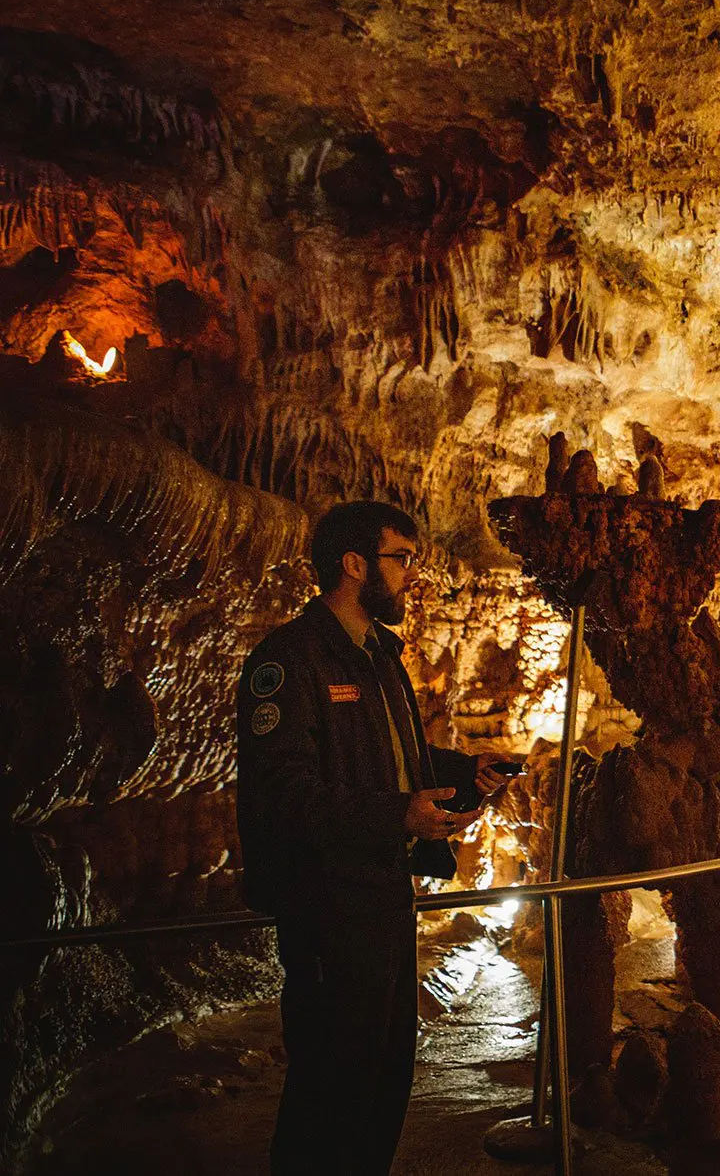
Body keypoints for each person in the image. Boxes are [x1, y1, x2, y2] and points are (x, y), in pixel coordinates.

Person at [236, 501, 516, 1175]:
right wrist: (397, 814)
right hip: (328, 908)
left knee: (383, 1081)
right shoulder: (288, 660)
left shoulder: (378, 654)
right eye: (403, 558)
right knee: (329, 1088)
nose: (414, 575)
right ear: (354, 564)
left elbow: (395, 755)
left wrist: (461, 771)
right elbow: (284, 794)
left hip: (386, 896)